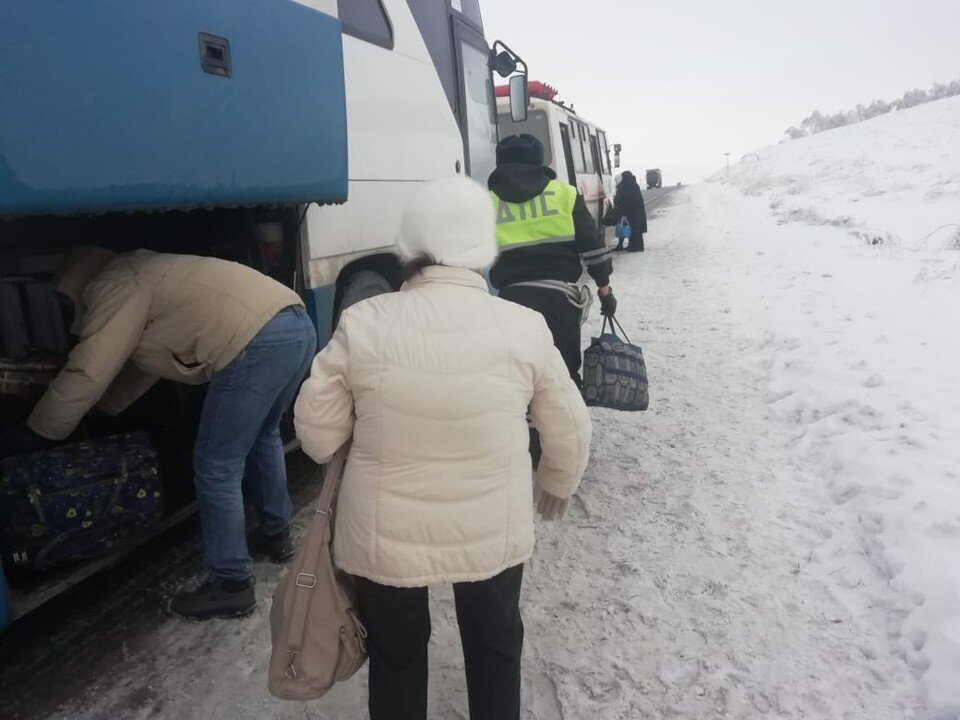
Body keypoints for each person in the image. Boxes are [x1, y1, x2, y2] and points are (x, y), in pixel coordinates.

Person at [294, 177, 591, 720]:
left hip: (385, 532)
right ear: (485, 248)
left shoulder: (364, 322)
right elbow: (569, 421)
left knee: (397, 653)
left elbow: (316, 436)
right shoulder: (523, 325)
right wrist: (557, 480)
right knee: (495, 642)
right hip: (491, 526)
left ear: (408, 248)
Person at [0, 247, 316, 620]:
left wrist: (41, 430)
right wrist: (100, 412)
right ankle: (276, 534)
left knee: (216, 464)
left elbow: (89, 369)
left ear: (78, 285)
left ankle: (231, 584)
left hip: (255, 342)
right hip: (295, 325)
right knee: (262, 437)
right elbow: (141, 364)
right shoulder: (144, 273)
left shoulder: (115, 284)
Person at [487, 134, 616, 385]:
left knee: (519, 377)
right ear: (540, 160)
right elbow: (592, 246)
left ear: (499, 163)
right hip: (560, 301)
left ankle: (527, 422)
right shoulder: (564, 194)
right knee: (563, 376)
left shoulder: (487, 202)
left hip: (509, 301)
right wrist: (605, 290)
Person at [613, 171, 648, 252]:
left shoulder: (626, 186)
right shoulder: (634, 185)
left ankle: (633, 247)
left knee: (632, 229)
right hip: (637, 211)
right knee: (636, 231)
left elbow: (624, 199)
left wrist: (622, 209)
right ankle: (638, 246)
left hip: (631, 212)